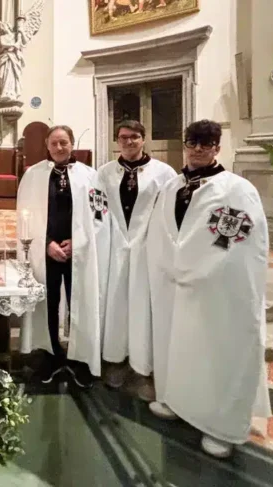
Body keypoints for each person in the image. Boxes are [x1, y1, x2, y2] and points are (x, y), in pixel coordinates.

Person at [146, 120, 270, 458]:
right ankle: (176, 400)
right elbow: (160, 230)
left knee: (217, 353)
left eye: (207, 142)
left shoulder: (236, 189)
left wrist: (194, 267)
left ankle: (222, 426)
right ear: (185, 144)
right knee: (178, 345)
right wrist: (169, 264)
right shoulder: (172, 186)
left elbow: (233, 240)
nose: (199, 149)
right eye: (193, 142)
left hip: (217, 287)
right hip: (176, 282)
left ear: (217, 146)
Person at [16, 125, 111, 387]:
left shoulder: (90, 176)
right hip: (45, 250)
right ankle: (50, 353)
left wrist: (78, 242)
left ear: (72, 145)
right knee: (47, 300)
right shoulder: (33, 176)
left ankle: (79, 358)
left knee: (78, 299)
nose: (59, 148)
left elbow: (100, 214)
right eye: (55, 143)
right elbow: (25, 217)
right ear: (47, 145)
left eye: (64, 143)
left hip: (78, 250)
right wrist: (45, 244)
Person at [98, 120, 176, 400]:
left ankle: (143, 368)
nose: (129, 142)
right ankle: (116, 360)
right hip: (115, 247)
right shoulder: (105, 173)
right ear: (116, 141)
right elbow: (98, 211)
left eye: (134, 137)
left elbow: (170, 213)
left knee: (145, 306)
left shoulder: (164, 173)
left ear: (144, 139)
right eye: (123, 138)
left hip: (148, 248)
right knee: (116, 304)